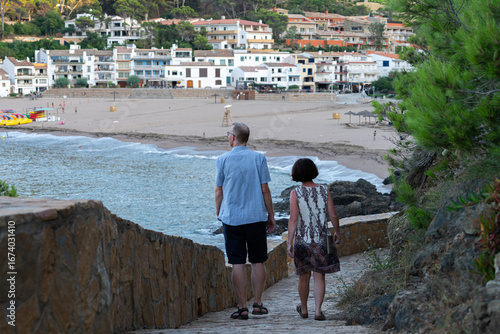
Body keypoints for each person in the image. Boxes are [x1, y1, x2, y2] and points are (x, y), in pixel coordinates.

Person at [215, 122, 276, 320]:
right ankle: (257, 304)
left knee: (237, 263)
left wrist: (219, 211)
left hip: (232, 218)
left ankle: (242, 307)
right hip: (255, 217)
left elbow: (219, 190)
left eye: (228, 134)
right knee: (258, 261)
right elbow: (265, 189)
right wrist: (271, 216)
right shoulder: (259, 158)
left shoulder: (222, 159)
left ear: (233, 137)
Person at [287, 158, 341, 321]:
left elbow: (294, 219)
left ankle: (304, 309)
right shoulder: (325, 190)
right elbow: (332, 214)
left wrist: (290, 241)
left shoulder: (295, 192)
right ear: (313, 171)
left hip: (303, 240)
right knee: (319, 275)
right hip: (322, 238)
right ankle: (318, 311)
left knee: (304, 276)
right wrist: (337, 231)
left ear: (297, 173)